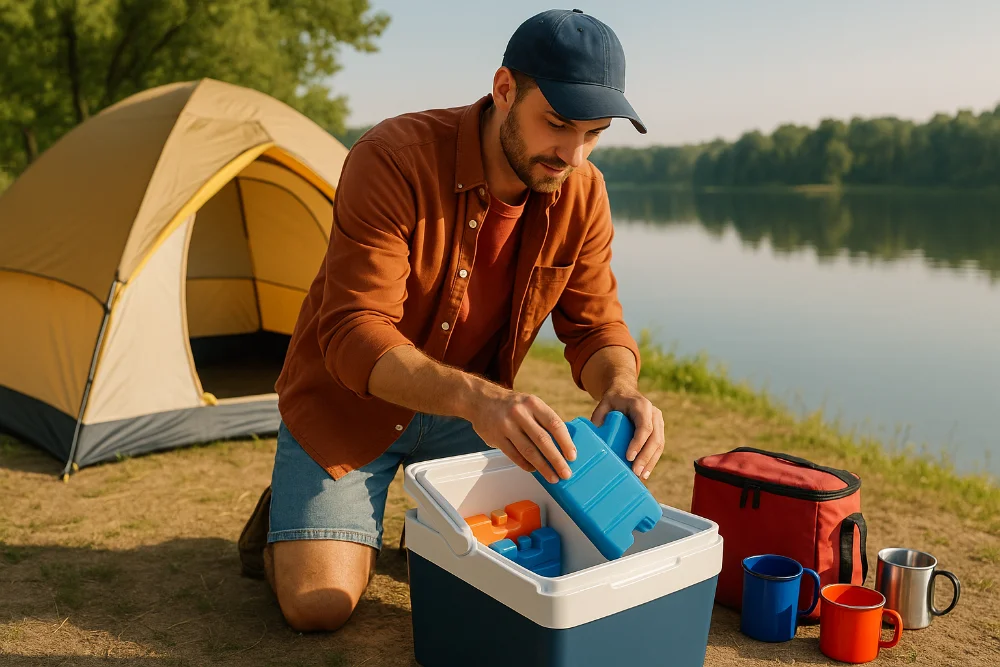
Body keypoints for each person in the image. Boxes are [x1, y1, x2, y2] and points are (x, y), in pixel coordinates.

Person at [238, 8, 665, 632]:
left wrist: (621, 389)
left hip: (468, 421)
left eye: (594, 133)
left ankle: (408, 528)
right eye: (557, 125)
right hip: (348, 408)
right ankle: (290, 515)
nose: (573, 153)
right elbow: (354, 333)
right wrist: (481, 401)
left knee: (501, 575)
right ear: (503, 91)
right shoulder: (391, 158)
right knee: (320, 607)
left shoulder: (584, 191)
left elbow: (596, 328)